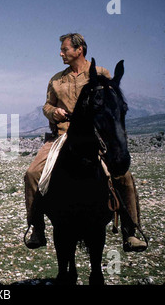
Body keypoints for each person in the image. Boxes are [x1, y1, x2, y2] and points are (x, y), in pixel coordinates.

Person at [24, 33, 147, 252]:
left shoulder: (100, 74)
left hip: (94, 136)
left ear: (79, 49)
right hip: (61, 135)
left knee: (124, 176)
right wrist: (55, 112)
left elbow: (110, 104)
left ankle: (131, 232)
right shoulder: (56, 80)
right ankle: (37, 228)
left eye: (65, 49)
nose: (61, 53)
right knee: (32, 174)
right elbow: (46, 106)